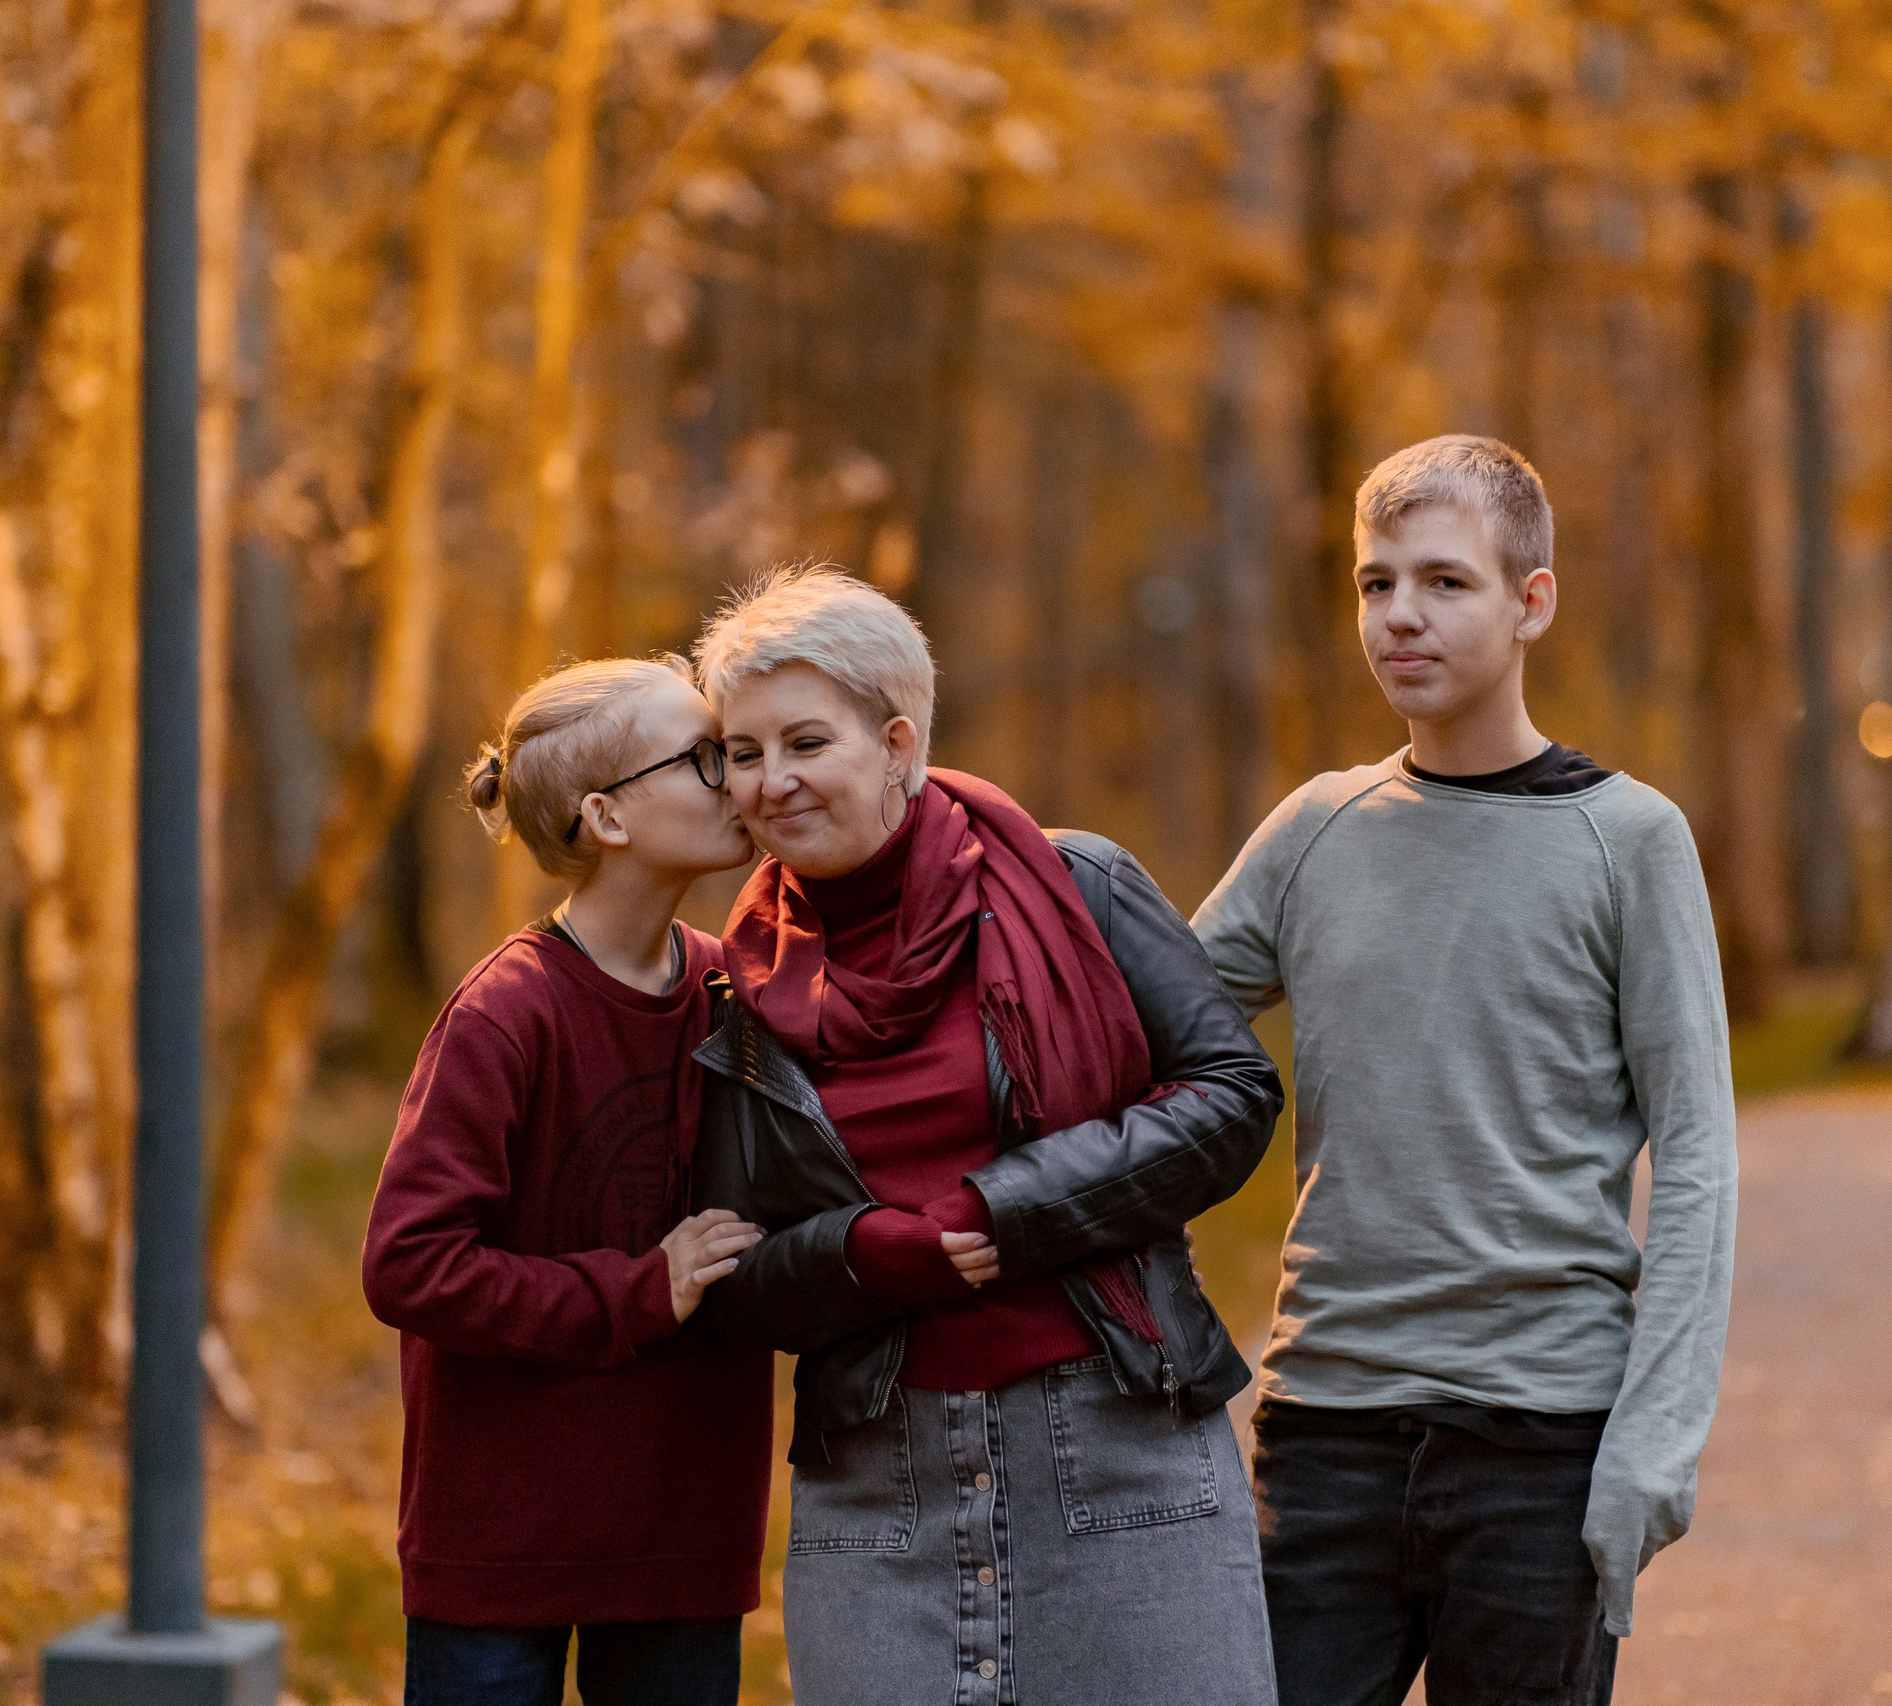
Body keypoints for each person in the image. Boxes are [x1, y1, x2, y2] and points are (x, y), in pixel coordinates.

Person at [1192, 435, 1739, 1706]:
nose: (1399, 617)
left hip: (1537, 1446)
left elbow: (1698, 1153)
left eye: (1443, 582)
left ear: (1530, 601)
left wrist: (1653, 1443)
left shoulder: (1629, 840)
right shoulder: (1315, 828)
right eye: (1375, 583)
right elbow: (1138, 1019)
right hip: (1323, 1431)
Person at [682, 565, 1284, 1706]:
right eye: (743, 752)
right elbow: (731, 1270)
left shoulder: (1079, 885)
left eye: (806, 743)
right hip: (876, 1480)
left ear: (897, 742)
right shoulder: (733, 990)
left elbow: (1229, 1093)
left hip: (1121, 1450)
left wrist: (1003, 1208)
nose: (772, 781)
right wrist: (858, 1256)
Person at [361, 657, 772, 1706]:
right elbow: (410, 1266)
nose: (741, 776)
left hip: (680, 1533)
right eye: (705, 756)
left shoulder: (739, 990)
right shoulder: (507, 1014)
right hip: (502, 1546)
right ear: (606, 817)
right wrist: (638, 1291)